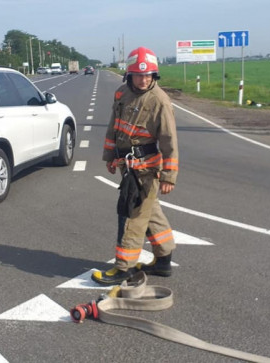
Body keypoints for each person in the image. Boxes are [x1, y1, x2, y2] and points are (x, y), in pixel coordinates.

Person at [92, 46, 179, 285]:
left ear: (154, 76)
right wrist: (110, 155)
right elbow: (114, 126)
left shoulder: (159, 101)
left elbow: (169, 140)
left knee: (132, 215)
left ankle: (124, 268)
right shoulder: (121, 94)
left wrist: (169, 176)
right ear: (129, 75)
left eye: (149, 75)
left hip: (146, 170)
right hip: (126, 164)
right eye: (139, 75)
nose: (144, 79)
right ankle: (163, 261)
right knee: (150, 213)